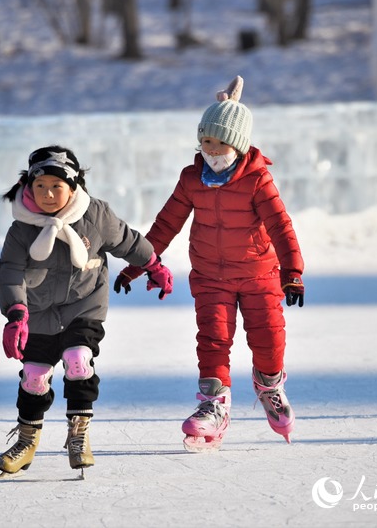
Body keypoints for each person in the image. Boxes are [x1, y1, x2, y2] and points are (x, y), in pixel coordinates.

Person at [114, 76, 305, 450]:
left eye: (218, 142)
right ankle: (213, 405)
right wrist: (138, 265)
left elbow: (280, 226)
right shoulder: (191, 179)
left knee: (268, 338)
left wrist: (292, 274)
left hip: (259, 274)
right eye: (205, 141)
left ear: (237, 144)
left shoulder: (257, 180)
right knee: (213, 340)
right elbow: (165, 224)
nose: (211, 149)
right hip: (210, 276)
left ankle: (269, 385)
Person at [0, 145, 173, 478]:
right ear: (28, 187)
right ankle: (27, 441)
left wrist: (153, 264)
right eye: (40, 186)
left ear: (73, 186)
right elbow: (9, 271)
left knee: (78, 359)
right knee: (34, 376)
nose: (47, 194)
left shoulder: (95, 215)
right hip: (38, 312)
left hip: (83, 305)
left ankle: (79, 434)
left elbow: (128, 242)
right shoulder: (22, 228)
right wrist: (16, 314)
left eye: (56, 186)